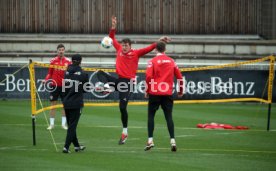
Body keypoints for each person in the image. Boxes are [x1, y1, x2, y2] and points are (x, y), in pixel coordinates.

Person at [96, 16, 171, 145]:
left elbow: (150, 47)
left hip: (128, 83)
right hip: (120, 81)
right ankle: (109, 87)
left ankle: (124, 132)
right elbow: (112, 39)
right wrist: (113, 27)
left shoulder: (135, 53)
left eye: (126, 46)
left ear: (130, 46)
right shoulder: (119, 49)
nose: (124, 47)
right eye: (123, 45)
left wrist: (159, 41)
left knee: (122, 107)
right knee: (99, 73)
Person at [144, 41, 184, 152]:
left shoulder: (152, 61)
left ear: (155, 49)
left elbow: (148, 76)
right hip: (167, 93)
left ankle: (150, 141)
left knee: (151, 116)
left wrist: (147, 90)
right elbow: (180, 78)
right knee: (169, 117)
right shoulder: (172, 61)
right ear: (165, 49)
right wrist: (180, 91)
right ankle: (173, 141)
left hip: (155, 92)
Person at [62, 54, 89, 153]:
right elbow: (86, 89)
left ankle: (77, 146)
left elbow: (64, 89)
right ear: (80, 61)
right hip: (76, 103)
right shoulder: (83, 74)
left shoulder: (66, 72)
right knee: (72, 127)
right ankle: (66, 147)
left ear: (71, 61)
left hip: (66, 102)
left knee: (71, 126)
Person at [44, 44, 71, 130]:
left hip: (64, 86)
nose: (61, 51)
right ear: (57, 51)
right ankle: (51, 124)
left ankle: (63, 124)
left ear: (64, 51)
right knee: (53, 105)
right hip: (54, 86)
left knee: (65, 105)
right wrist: (46, 80)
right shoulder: (53, 61)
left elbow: (70, 74)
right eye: (59, 50)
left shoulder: (68, 61)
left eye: (62, 50)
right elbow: (49, 73)